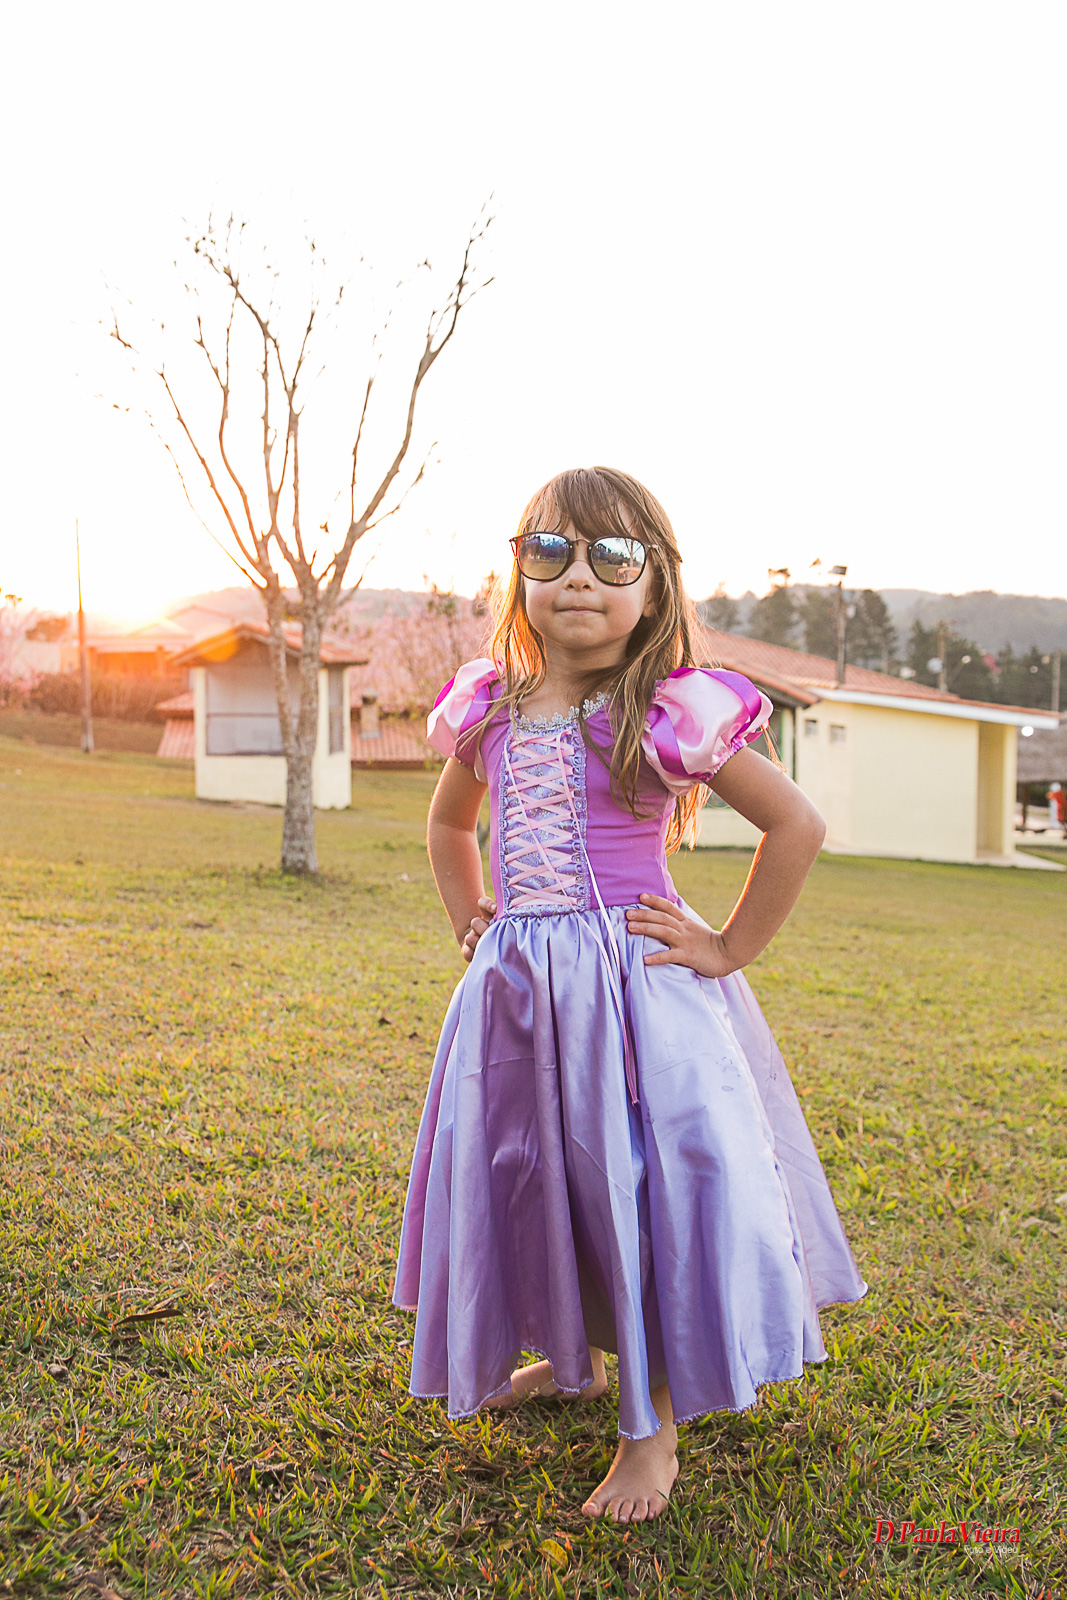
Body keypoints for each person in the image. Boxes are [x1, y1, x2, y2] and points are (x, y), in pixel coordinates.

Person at [392, 466, 866, 1523]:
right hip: (517, 998)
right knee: (541, 1179)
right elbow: (446, 825)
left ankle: (649, 1435)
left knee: (637, 1193)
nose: (577, 578)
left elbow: (794, 824)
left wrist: (726, 945)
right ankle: (575, 1357)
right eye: (548, 552)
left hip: (635, 998)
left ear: (653, 584)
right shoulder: (490, 708)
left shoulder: (665, 708)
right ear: (516, 574)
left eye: (612, 557)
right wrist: (471, 918)